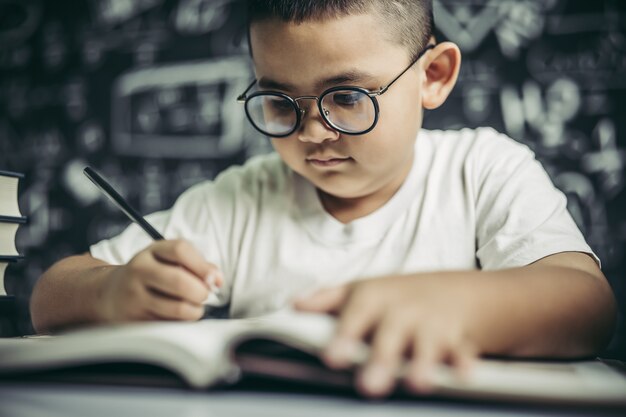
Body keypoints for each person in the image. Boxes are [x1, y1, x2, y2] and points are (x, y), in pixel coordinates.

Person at [30, 0, 616, 398]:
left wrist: (459, 303)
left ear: (433, 76)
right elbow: (50, 296)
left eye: (348, 97)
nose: (313, 132)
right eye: (280, 102)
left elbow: (588, 305)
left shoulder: (484, 169)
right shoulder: (242, 199)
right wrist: (114, 291)